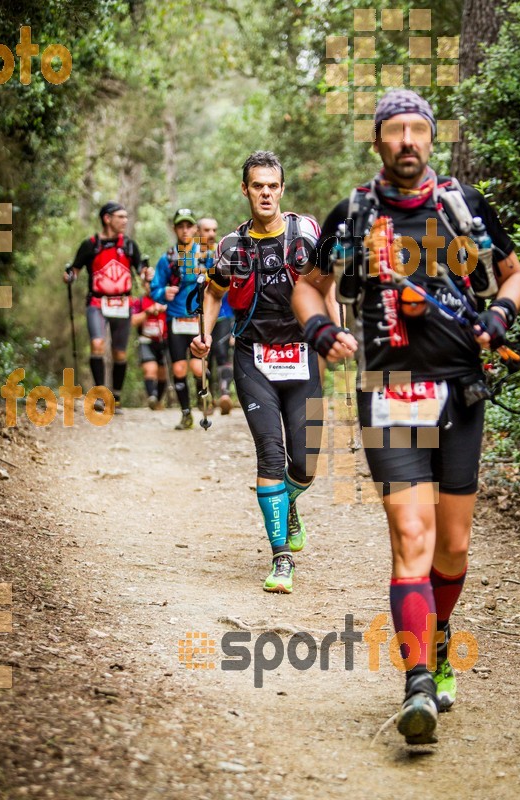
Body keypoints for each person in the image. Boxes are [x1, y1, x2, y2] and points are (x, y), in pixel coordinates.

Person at [292, 90, 520, 744]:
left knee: (452, 548)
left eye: (415, 129)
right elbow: (309, 283)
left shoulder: (462, 208)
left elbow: (513, 276)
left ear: (429, 139)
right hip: (388, 392)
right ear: (376, 142)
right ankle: (416, 680)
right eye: (393, 129)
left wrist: (498, 315)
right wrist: (316, 327)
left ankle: (440, 636)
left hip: (460, 393)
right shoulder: (352, 216)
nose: (405, 140)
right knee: (411, 536)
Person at [191, 151, 324, 594]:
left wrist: (333, 331)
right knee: (270, 453)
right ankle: (281, 558)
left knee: (304, 463)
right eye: (257, 186)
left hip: (302, 355)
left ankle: (287, 504)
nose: (265, 193)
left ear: (281, 190)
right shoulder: (231, 247)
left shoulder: (305, 234)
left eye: (272, 186)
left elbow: (327, 285)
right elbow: (213, 292)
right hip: (253, 359)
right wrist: (205, 336)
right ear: (245, 190)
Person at [63, 201, 141, 413]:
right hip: (97, 302)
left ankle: (115, 396)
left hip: (123, 304)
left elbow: (141, 268)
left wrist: (147, 274)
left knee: (120, 353)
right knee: (97, 344)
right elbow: (75, 270)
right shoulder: (90, 245)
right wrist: (70, 276)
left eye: (126, 217)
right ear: (107, 218)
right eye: (120, 217)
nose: (125, 221)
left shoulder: (130, 245)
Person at [151, 209, 204, 430]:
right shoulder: (167, 259)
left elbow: (219, 286)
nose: (184, 230)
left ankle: (204, 399)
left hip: (197, 319)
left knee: (198, 368)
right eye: (180, 226)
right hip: (175, 319)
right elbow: (155, 288)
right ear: (175, 229)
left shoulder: (205, 255)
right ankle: (186, 414)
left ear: (194, 229)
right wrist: (164, 292)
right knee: (180, 369)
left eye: (188, 226)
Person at [197, 216, 234, 415]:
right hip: (198, 316)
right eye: (206, 230)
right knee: (204, 357)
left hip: (224, 313)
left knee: (222, 354)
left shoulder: (222, 255)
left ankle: (225, 394)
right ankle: (206, 397)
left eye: (214, 230)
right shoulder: (187, 257)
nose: (211, 234)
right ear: (197, 232)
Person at [130, 263, 169, 409]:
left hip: (164, 340)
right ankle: (151, 396)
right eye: (147, 284)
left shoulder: (166, 298)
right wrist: (148, 312)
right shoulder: (139, 302)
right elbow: (133, 321)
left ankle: (158, 399)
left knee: (162, 373)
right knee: (150, 369)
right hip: (146, 340)